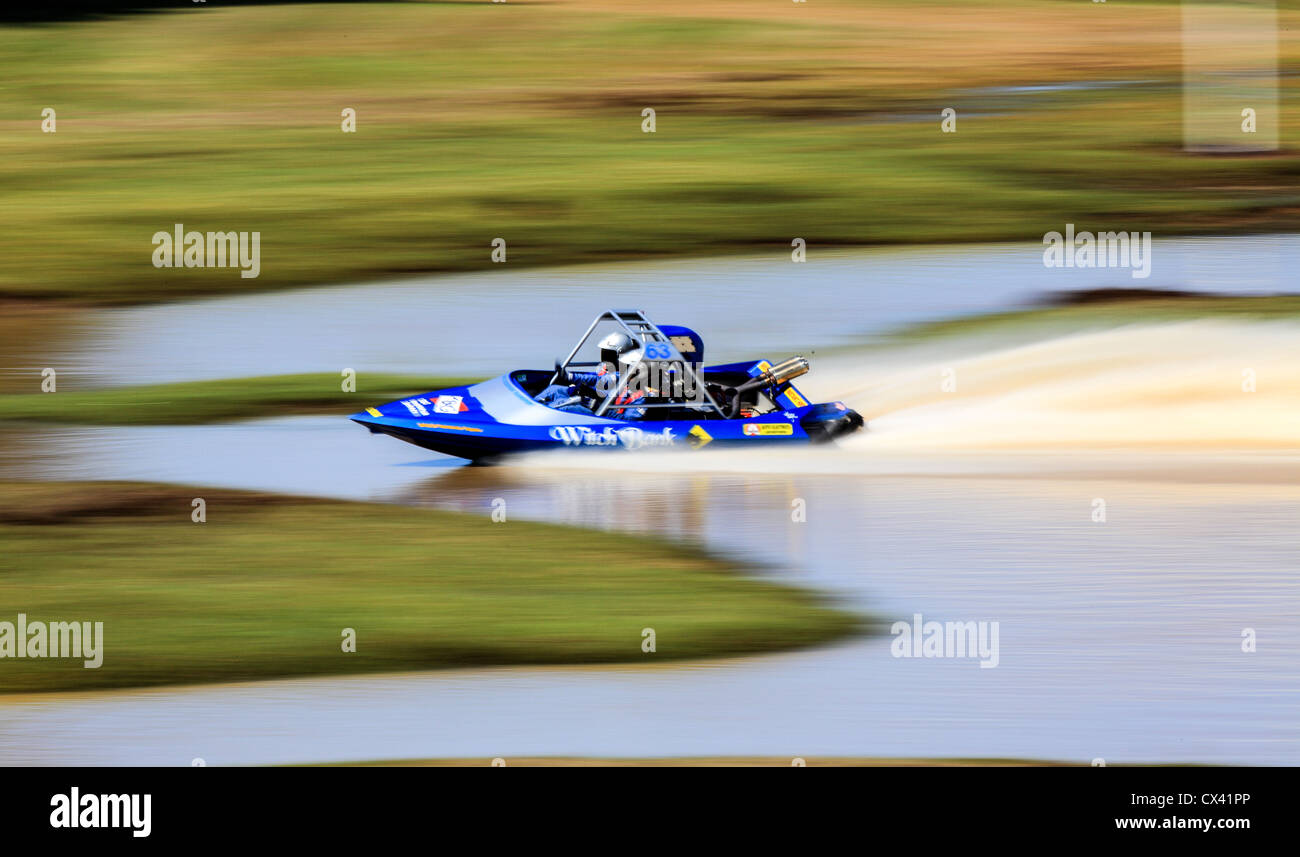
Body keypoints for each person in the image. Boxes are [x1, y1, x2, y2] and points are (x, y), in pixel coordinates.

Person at [535, 332, 646, 418]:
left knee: (567, 408)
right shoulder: (619, 376)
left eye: (627, 366)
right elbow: (597, 380)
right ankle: (531, 411)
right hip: (597, 404)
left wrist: (596, 405)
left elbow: (628, 423)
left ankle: (535, 425)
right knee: (555, 391)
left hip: (605, 418)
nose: (624, 368)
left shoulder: (641, 394)